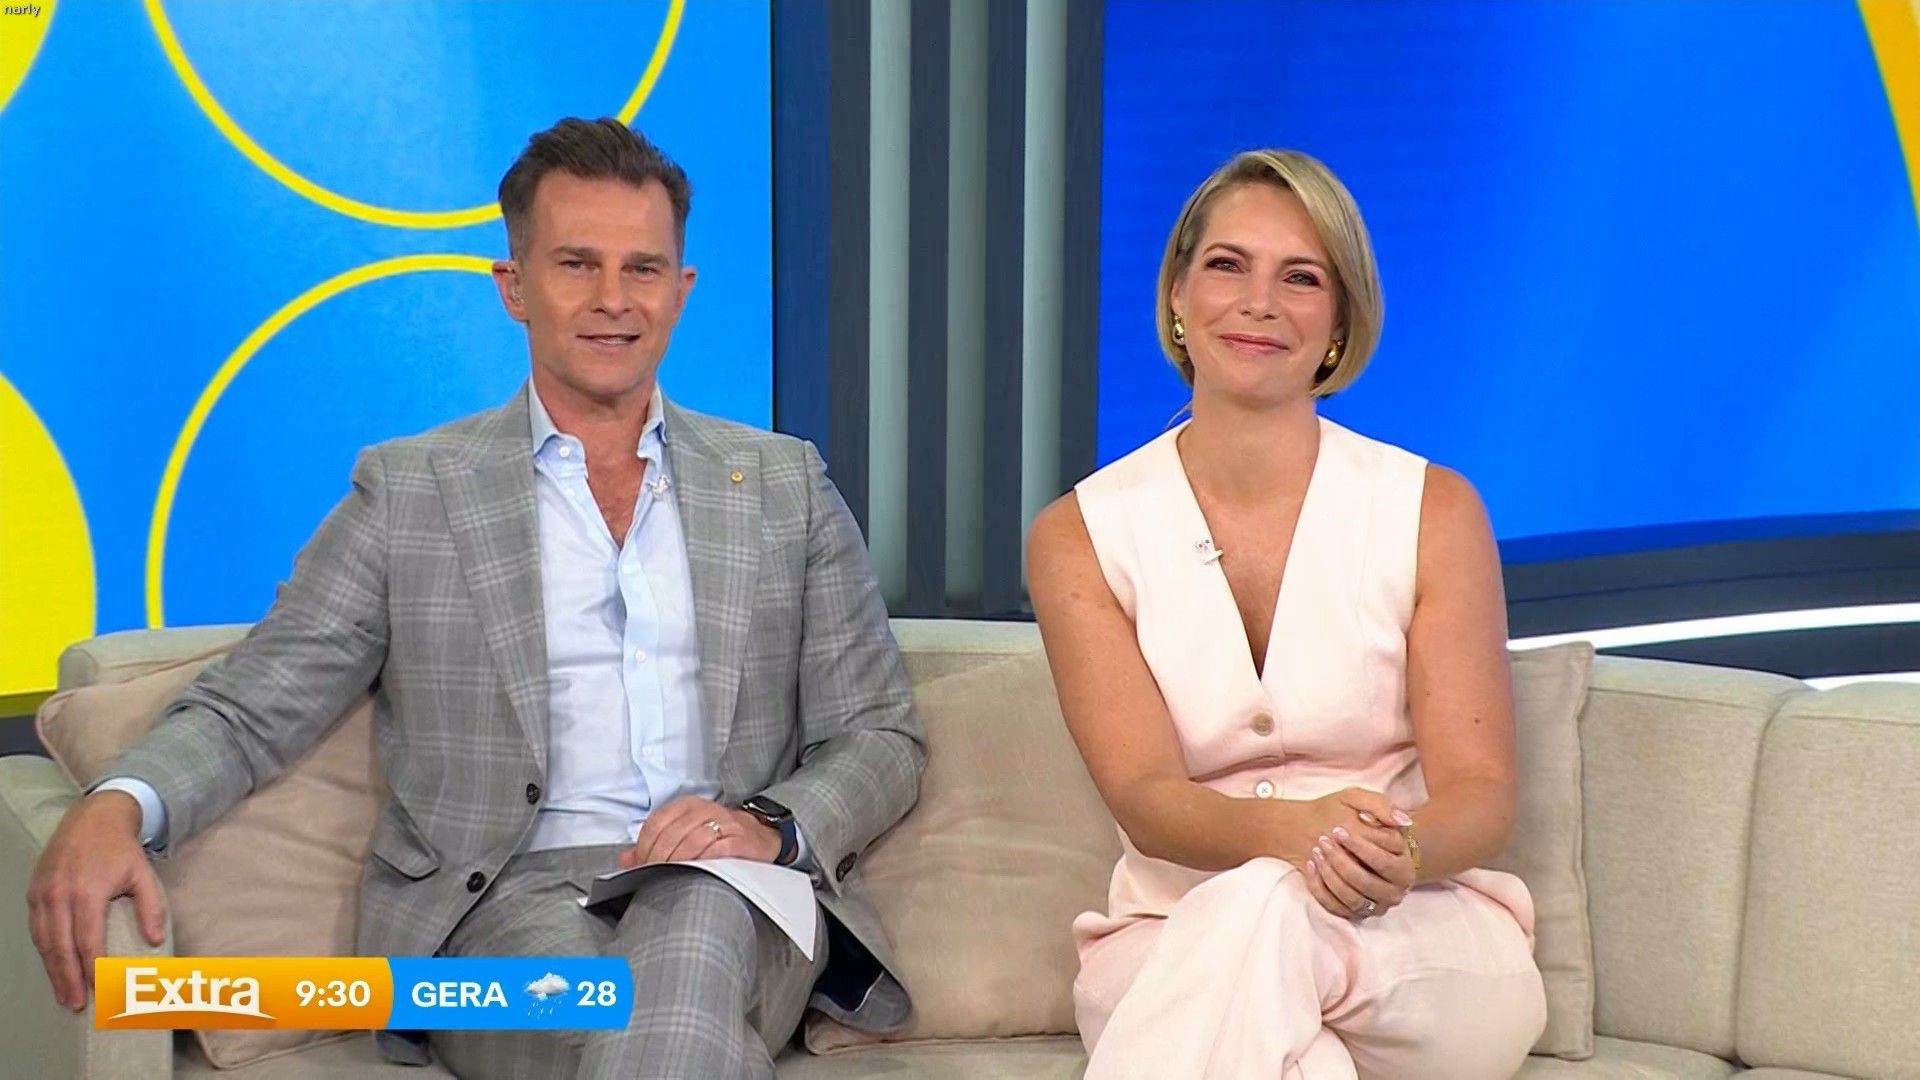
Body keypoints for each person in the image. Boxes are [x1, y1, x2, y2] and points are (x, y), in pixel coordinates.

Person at [26, 117, 925, 1080]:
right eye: (576, 264)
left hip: (738, 889)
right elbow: (254, 706)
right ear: (514, 286)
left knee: (698, 912)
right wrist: (118, 806)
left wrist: (765, 826)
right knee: (644, 1015)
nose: (613, 299)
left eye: (643, 269)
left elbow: (879, 733)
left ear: (681, 289)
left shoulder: (784, 485)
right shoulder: (411, 491)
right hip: (501, 908)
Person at [1026, 149, 1545, 1078]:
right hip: (1172, 931)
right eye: (1227, 265)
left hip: (1416, 937)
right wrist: (1293, 840)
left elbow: (1481, 793)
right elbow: (1146, 797)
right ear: (1178, 294)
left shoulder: (1433, 510)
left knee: (1265, 923)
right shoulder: (1080, 535)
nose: (1259, 302)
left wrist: (1397, 851)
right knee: (1275, 974)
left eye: (1300, 278)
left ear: (1340, 321)